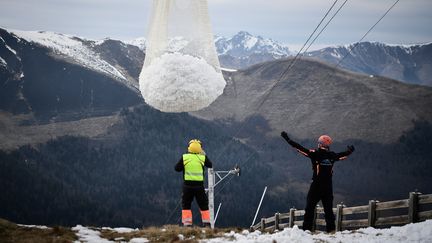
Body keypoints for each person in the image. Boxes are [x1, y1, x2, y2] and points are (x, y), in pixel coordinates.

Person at [281, 131, 355, 233]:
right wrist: (349, 151)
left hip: (316, 186)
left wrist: (287, 139)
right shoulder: (332, 155)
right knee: (328, 210)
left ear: (320, 144)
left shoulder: (315, 153)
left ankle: (306, 230)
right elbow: (343, 155)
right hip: (328, 187)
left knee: (309, 208)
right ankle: (331, 230)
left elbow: (299, 148)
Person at [175, 139, 212, 227]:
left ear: (189, 147)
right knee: (203, 205)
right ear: (200, 148)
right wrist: (204, 155)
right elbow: (210, 165)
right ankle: (207, 224)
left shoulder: (185, 157)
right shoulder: (202, 158)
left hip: (187, 186)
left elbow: (177, 168)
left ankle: (187, 224)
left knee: (186, 205)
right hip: (199, 186)